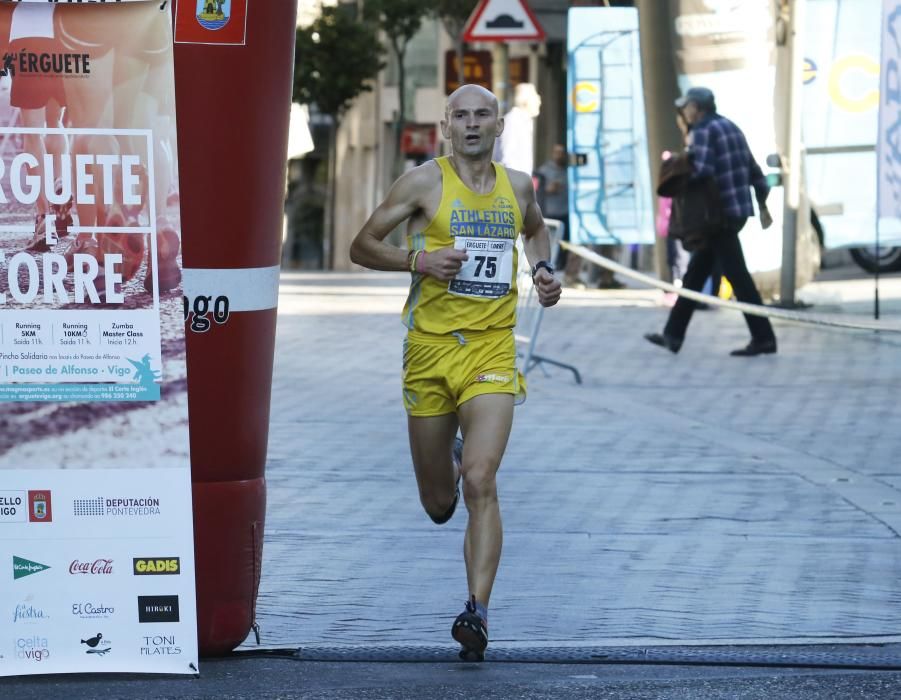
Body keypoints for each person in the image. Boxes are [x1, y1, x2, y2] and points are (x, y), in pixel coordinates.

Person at [350, 84, 561, 661]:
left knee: (482, 478)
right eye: (461, 116)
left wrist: (543, 269)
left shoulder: (518, 186)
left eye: (482, 115)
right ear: (446, 126)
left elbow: (536, 227)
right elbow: (362, 245)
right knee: (441, 504)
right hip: (429, 351)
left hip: (492, 348)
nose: (472, 124)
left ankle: (477, 610)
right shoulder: (422, 183)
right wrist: (418, 260)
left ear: (498, 125)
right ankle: (447, 454)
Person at [644, 86, 777, 356]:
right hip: (736, 212)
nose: (684, 112)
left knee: (739, 278)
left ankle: (764, 338)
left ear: (697, 107)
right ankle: (673, 335)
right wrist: (761, 204)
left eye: (687, 107)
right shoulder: (731, 126)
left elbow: (702, 169)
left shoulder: (703, 130)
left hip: (716, 217)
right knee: (696, 274)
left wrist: (677, 170)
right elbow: (756, 172)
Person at [537, 143, 579, 284]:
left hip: (566, 212)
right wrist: (548, 189)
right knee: (550, 243)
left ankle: (565, 269)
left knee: (566, 244)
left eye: (562, 152)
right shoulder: (544, 171)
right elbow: (535, 190)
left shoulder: (570, 171)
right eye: (557, 152)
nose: (559, 155)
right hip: (550, 213)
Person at [495, 82, 540, 175]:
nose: (539, 102)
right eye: (536, 98)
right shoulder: (513, 121)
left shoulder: (524, 122)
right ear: (525, 101)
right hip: (515, 184)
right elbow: (508, 158)